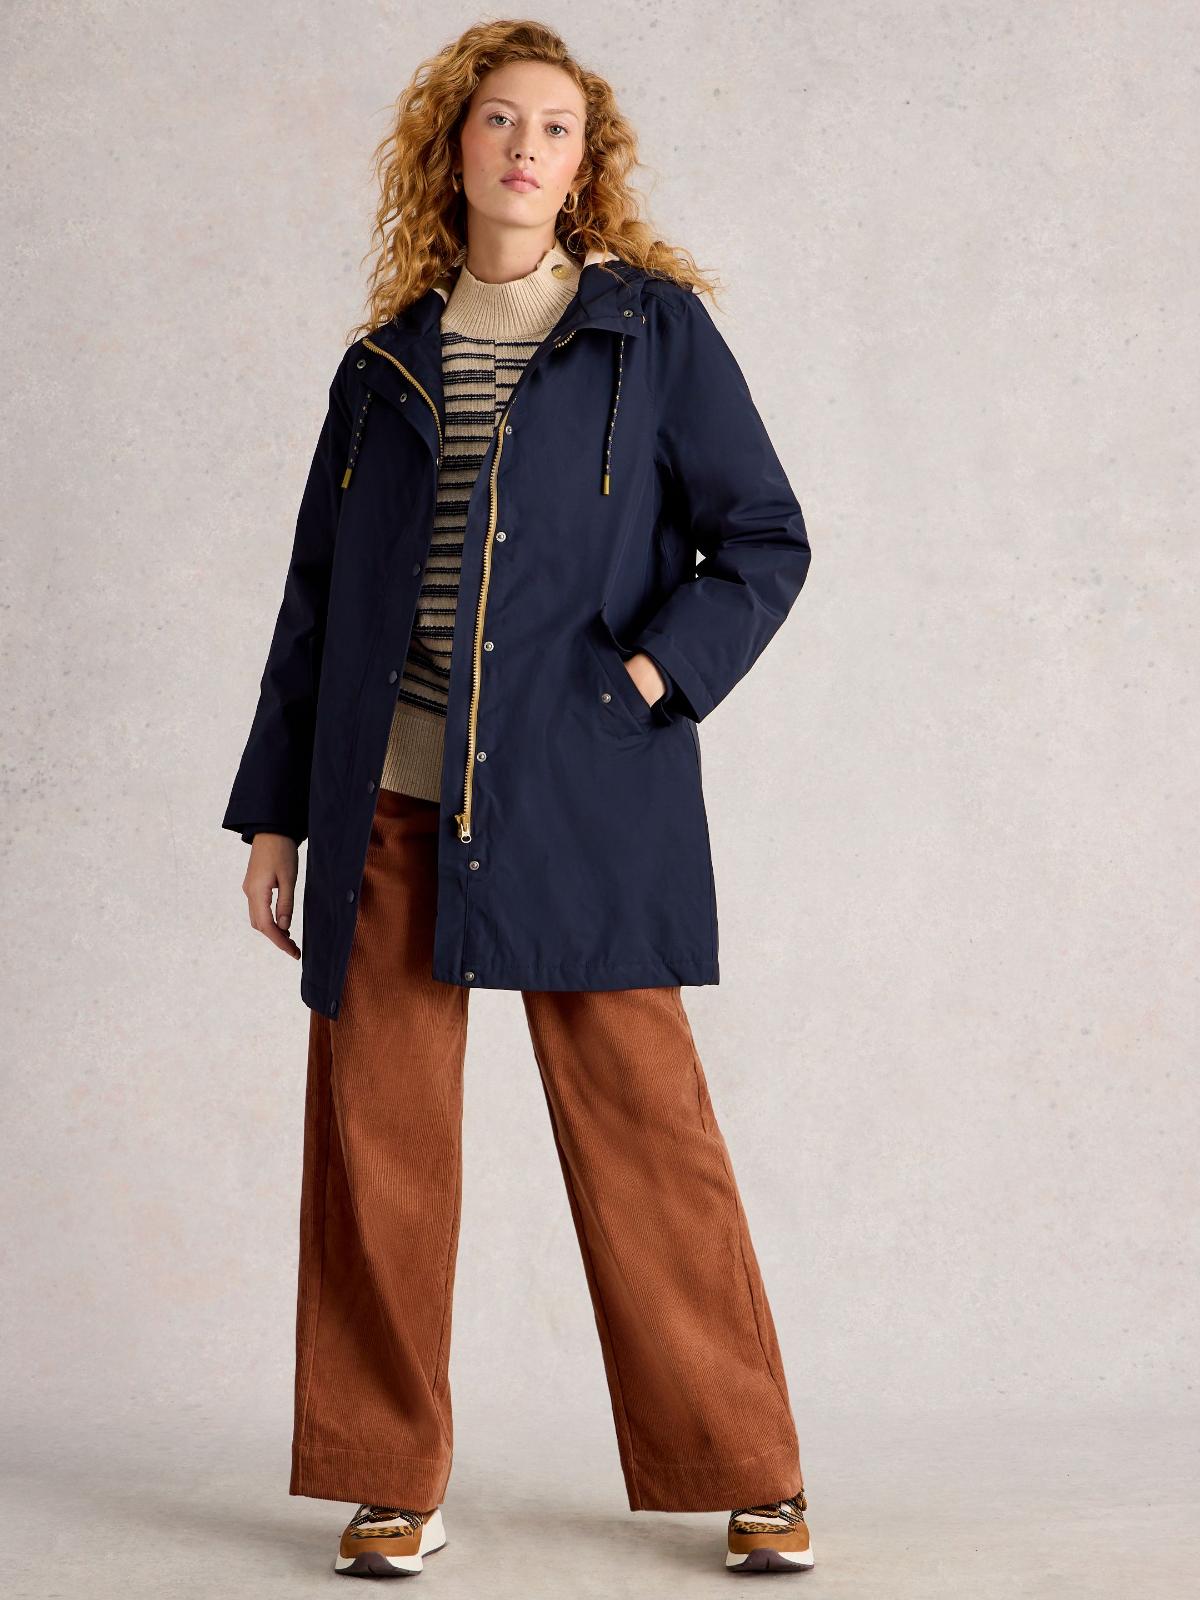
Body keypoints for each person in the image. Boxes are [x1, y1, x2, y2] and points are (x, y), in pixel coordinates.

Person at [223, 19, 814, 1579]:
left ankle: (749, 1468)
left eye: (555, 126)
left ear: (584, 164)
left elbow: (764, 537)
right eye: (499, 119)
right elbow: (316, 603)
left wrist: (646, 678)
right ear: (455, 147)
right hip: (386, 801)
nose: (525, 146)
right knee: (377, 1151)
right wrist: (278, 812)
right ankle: (386, 1477)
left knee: (648, 1138)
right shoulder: (383, 366)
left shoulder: (649, 334)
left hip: (580, 795)